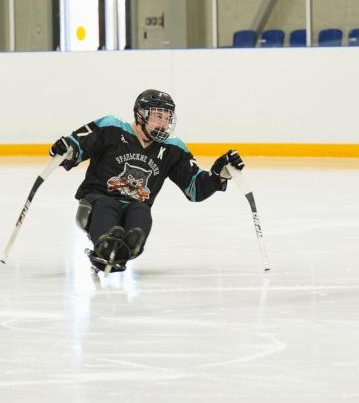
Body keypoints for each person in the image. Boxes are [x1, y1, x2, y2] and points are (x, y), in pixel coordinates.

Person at [49, 89, 245, 273]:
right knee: (107, 205)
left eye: (167, 118)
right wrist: (66, 149)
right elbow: (77, 146)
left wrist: (218, 174)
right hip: (97, 201)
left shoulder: (172, 149)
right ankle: (106, 245)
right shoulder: (111, 128)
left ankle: (128, 247)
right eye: (158, 116)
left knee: (141, 211)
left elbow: (195, 189)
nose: (164, 123)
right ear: (141, 114)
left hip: (135, 204)